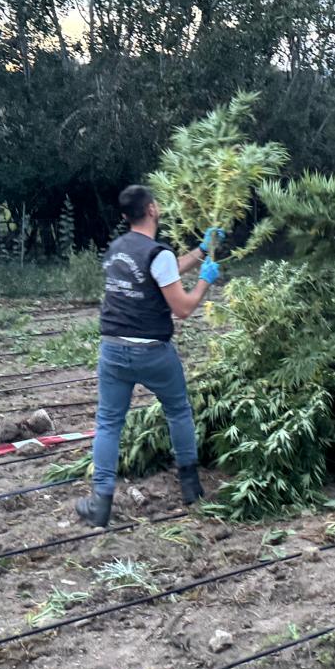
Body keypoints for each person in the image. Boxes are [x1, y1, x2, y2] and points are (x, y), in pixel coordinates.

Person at [76, 185, 221, 527]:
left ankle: (100, 504)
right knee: (178, 411)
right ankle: (190, 487)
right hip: (152, 352)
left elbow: (163, 271)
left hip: (112, 350)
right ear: (153, 209)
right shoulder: (159, 253)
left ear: (126, 217)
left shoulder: (116, 249)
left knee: (109, 422)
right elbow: (183, 308)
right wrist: (204, 282)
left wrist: (201, 250)